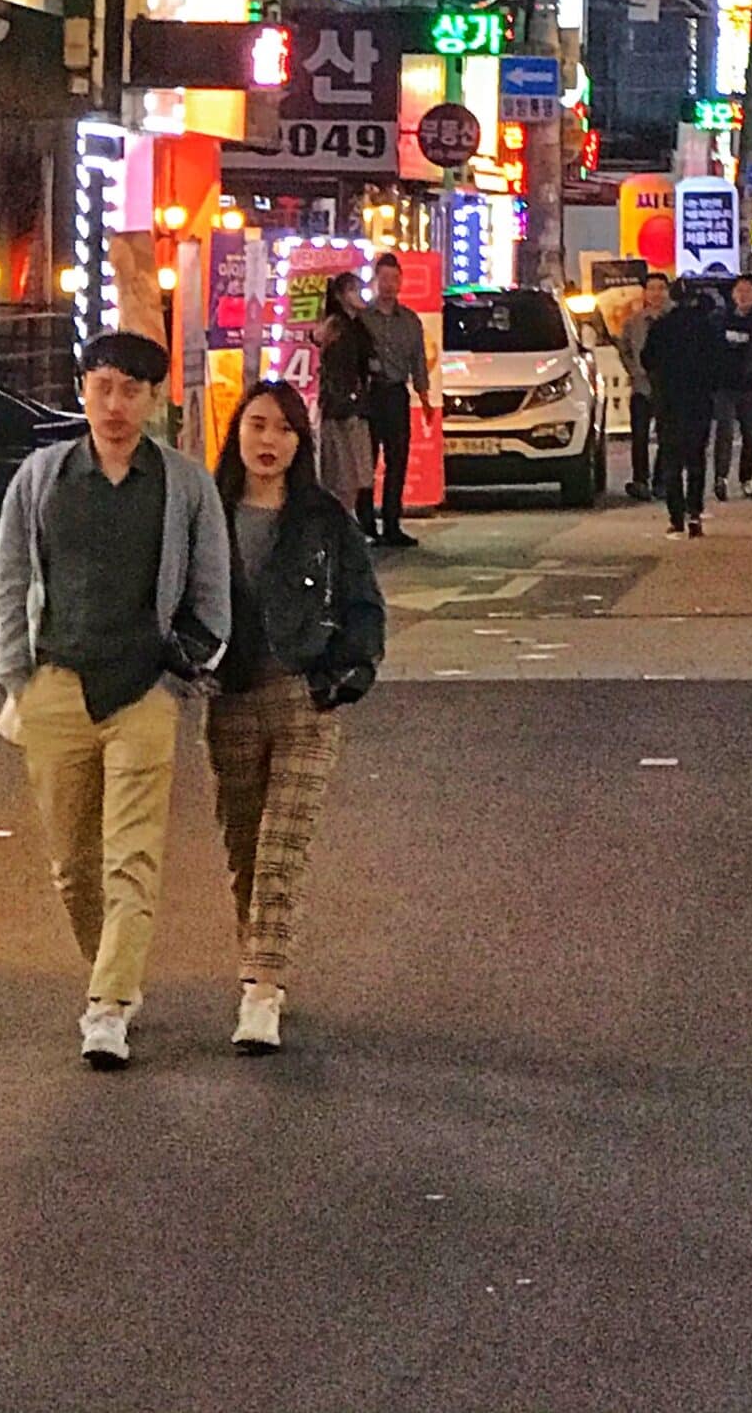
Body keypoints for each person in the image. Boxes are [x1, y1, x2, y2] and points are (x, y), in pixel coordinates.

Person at [0, 331, 231, 1069]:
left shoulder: (184, 484)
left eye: (132, 390)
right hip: (56, 683)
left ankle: (109, 1005)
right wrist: (18, 677)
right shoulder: (42, 476)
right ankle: (110, 970)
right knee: (71, 863)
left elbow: (210, 589)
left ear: (156, 400)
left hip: (144, 689)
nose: (116, 405)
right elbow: (9, 575)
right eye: (103, 388)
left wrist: (182, 668)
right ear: (82, 391)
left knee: (132, 854)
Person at [208, 380, 385, 1052]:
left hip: (305, 694)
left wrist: (348, 673)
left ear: (300, 442)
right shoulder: (210, 514)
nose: (268, 441)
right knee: (246, 846)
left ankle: (262, 988)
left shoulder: (323, 518)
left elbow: (365, 604)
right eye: (257, 425)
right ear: (237, 432)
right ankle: (258, 961)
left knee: (286, 842)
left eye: (283, 429)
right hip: (229, 698)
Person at [359, 253, 433, 549]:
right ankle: (366, 524)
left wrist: (425, 398)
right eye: (383, 279)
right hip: (367, 395)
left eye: (394, 279)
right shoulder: (362, 318)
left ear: (401, 282)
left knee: (397, 461)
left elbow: (419, 361)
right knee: (365, 463)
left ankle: (392, 524)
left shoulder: (410, 321)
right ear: (375, 281)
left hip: (396, 395)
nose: (389, 285)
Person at [642, 280, 724, 538]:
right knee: (696, 458)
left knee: (671, 459)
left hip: (668, 400)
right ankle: (695, 513)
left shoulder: (662, 327)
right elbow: (718, 362)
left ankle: (676, 516)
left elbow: (648, 359)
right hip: (698, 401)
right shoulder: (707, 327)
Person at [312, 271, 376, 519]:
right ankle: (341, 523)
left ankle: (347, 522)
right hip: (340, 408)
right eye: (352, 290)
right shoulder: (336, 324)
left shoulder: (358, 324)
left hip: (354, 405)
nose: (359, 295)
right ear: (340, 296)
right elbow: (319, 340)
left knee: (356, 474)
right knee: (342, 474)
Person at [713, 275, 752, 502]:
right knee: (724, 431)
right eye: (740, 291)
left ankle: (746, 478)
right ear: (733, 295)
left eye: (749, 291)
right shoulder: (721, 320)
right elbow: (713, 349)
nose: (744, 296)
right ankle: (721, 477)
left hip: (751, 387)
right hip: (725, 386)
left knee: (750, 434)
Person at [619, 271, 670, 500]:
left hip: (669, 387)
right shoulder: (634, 322)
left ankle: (662, 480)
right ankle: (640, 480)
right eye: (652, 289)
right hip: (641, 386)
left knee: (666, 435)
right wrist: (634, 370)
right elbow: (625, 350)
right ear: (645, 293)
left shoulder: (675, 320)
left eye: (661, 288)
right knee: (639, 435)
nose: (656, 293)